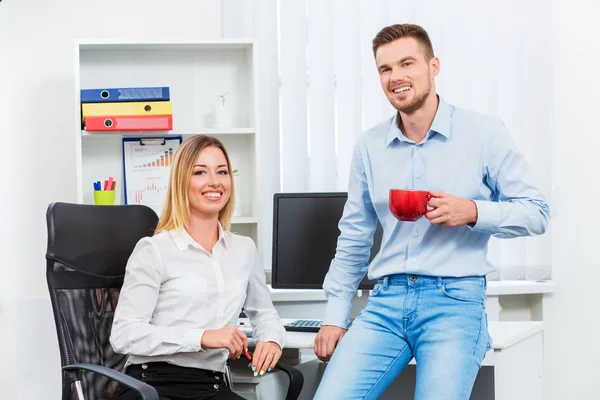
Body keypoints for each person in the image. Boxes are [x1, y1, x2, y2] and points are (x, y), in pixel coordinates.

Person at [313, 23, 550, 399]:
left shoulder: (484, 133)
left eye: (407, 63)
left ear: (433, 66)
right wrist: (334, 315)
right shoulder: (369, 146)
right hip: (385, 303)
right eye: (385, 69)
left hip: (455, 302)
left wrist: (472, 211)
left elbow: (536, 213)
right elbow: (355, 238)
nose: (396, 77)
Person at [110, 135, 285, 400]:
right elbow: (124, 335)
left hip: (210, 386)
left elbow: (264, 313)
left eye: (222, 172)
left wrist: (271, 339)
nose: (214, 181)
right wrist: (203, 337)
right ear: (182, 182)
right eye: (200, 172)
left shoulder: (244, 250)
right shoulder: (154, 249)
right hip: (152, 384)